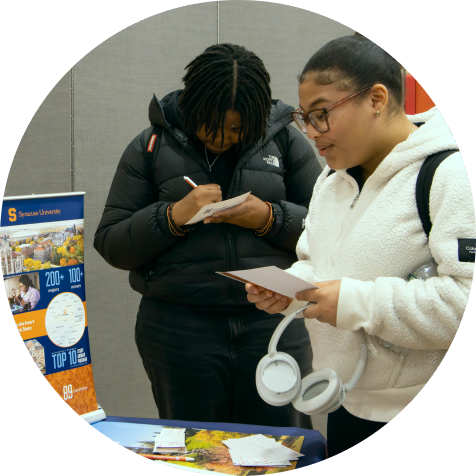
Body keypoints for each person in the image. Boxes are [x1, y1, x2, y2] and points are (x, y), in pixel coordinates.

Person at [246, 35, 476, 456]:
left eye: (322, 115)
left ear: (376, 99)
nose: (312, 133)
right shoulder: (330, 182)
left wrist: (357, 302)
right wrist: (290, 287)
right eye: (305, 118)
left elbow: (465, 306)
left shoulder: (450, 174)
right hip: (345, 399)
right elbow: (317, 264)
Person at [94, 43, 322, 427]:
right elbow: (112, 244)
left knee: (282, 448)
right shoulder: (150, 146)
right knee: (195, 451)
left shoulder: (284, 142)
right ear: (192, 105)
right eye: (209, 124)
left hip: (273, 324)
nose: (222, 138)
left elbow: (329, 231)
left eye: (236, 128)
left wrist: (267, 217)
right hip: (178, 330)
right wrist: (174, 215)